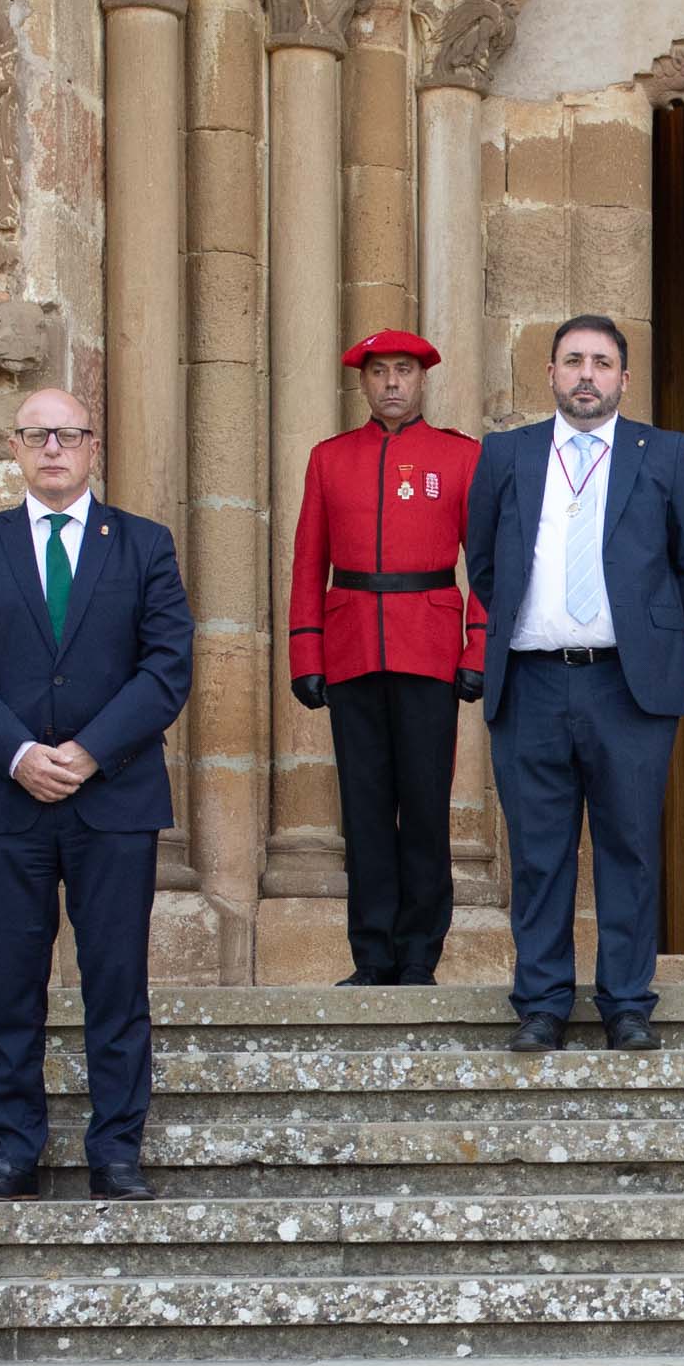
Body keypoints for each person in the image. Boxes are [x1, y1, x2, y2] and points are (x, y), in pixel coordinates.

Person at [0, 386, 194, 1201]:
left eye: (68, 434)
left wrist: (87, 752)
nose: (53, 448)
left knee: (117, 981)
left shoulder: (144, 545)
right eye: (37, 435)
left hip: (113, 800)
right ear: (14, 447)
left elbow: (166, 666)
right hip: (8, 801)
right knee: (12, 982)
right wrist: (17, 753)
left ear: (92, 446)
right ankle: (13, 1150)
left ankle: (116, 1149)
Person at [464, 314, 684, 1052]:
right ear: (549, 373)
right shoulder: (507, 454)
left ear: (624, 378)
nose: (587, 374)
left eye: (602, 362)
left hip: (627, 687)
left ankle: (626, 1004)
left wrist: (652, 632)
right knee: (540, 853)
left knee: (630, 848)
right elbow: (484, 562)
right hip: (534, 682)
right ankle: (542, 1004)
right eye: (573, 360)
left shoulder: (664, 454)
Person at [286, 329, 486, 986]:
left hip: (428, 645)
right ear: (363, 382)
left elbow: (484, 565)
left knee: (424, 806)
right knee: (365, 807)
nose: (392, 383)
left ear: (422, 378)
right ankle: (371, 954)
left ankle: (419, 955)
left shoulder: (459, 458)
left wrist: (477, 643)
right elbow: (309, 559)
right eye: (379, 372)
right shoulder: (329, 459)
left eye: (403, 370)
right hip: (350, 647)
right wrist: (304, 647)